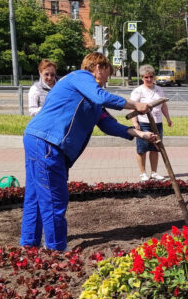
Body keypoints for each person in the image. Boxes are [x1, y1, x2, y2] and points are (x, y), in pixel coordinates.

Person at [20, 52, 156, 251]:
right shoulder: (81, 78)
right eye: (108, 73)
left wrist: (140, 134)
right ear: (98, 68)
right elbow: (101, 96)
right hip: (48, 142)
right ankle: (56, 250)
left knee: (35, 195)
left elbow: (107, 123)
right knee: (53, 199)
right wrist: (136, 104)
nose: (108, 79)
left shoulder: (90, 95)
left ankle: (28, 245)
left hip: (38, 139)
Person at [130, 64, 173, 181]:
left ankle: (154, 172)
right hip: (143, 123)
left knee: (156, 148)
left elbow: (163, 105)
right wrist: (135, 123)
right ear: (142, 78)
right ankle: (143, 173)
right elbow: (132, 108)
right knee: (142, 148)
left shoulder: (159, 89)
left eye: (151, 77)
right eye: (146, 77)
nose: (149, 79)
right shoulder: (138, 91)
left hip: (157, 123)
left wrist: (168, 119)